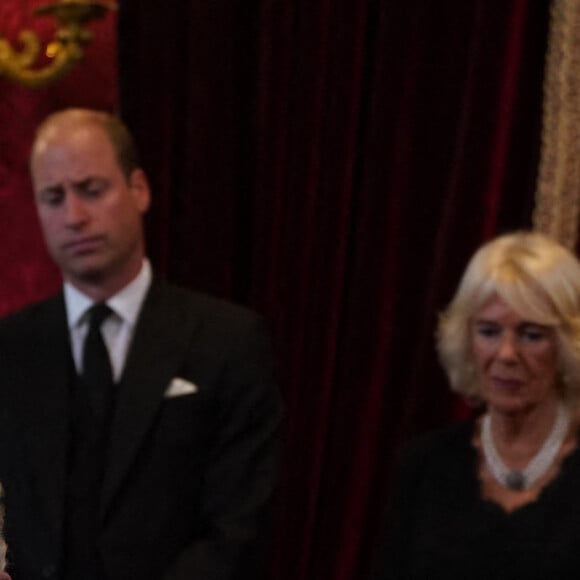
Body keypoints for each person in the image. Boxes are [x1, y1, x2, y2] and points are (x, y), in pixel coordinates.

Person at [0, 108, 282, 580]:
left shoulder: (226, 341)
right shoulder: (9, 349)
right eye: (53, 197)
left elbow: (239, 528)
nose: (74, 216)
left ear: (139, 190)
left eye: (92, 190)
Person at [372, 231, 580, 579]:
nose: (506, 354)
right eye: (489, 331)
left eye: (531, 335)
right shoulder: (426, 465)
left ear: (566, 348)